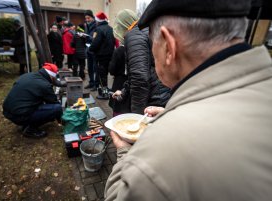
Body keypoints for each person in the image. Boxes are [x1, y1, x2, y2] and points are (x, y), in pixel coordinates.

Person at [105, 0, 272, 200]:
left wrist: (125, 153)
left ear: (168, 46)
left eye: (152, 45)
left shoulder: (163, 147)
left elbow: (118, 196)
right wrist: (170, 115)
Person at [112, 9, 171, 114]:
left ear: (122, 25)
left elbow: (139, 77)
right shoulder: (147, 29)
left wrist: (137, 115)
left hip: (153, 98)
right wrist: (124, 92)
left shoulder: (134, 34)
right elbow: (138, 72)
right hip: (163, 94)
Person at [3, 63, 62, 138]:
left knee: (41, 103)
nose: (54, 80)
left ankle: (26, 123)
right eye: (54, 78)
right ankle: (30, 129)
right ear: (51, 75)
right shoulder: (45, 85)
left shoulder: (28, 75)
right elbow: (54, 103)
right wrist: (61, 120)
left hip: (8, 111)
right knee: (57, 108)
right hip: (19, 115)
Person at [89, 11, 115, 99]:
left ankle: (104, 94)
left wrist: (90, 48)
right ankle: (106, 91)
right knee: (105, 75)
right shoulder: (110, 28)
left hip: (100, 56)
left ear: (98, 21)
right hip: (109, 55)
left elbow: (95, 43)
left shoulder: (99, 29)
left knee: (101, 76)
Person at [108, 45, 130, 116]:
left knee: (117, 105)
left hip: (119, 81)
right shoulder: (135, 49)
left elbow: (112, 70)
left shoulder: (118, 50)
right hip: (131, 80)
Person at [84, 10, 97, 90]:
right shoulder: (87, 26)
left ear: (92, 17)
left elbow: (95, 38)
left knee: (94, 68)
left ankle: (95, 84)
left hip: (94, 50)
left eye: (88, 18)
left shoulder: (96, 26)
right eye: (86, 18)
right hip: (88, 49)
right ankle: (91, 82)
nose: (87, 20)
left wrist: (87, 37)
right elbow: (87, 36)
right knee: (89, 68)